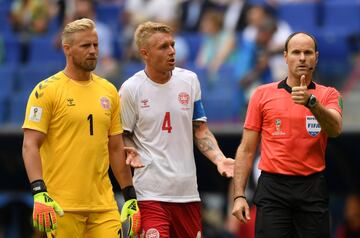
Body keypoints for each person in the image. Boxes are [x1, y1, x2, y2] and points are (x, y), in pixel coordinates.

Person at [22, 18, 141, 237]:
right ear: (67, 49)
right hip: (62, 207)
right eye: (86, 46)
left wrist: (130, 196)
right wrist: (39, 191)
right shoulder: (45, 91)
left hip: (104, 207)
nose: (93, 51)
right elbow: (30, 145)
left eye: (95, 45)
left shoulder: (108, 91)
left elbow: (115, 148)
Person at [119, 21, 234, 238]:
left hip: (187, 194)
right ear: (145, 53)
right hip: (150, 194)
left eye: (172, 45)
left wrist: (219, 159)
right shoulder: (131, 89)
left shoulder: (189, 80)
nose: (172, 51)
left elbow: (200, 130)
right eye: (163, 47)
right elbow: (121, 135)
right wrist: (129, 148)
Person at [231, 32, 343, 238]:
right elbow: (246, 149)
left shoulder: (329, 94)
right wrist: (239, 195)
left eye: (308, 52)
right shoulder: (262, 94)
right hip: (273, 189)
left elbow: (335, 129)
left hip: (312, 187)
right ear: (285, 56)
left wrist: (312, 103)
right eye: (296, 52)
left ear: (316, 57)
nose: (302, 57)